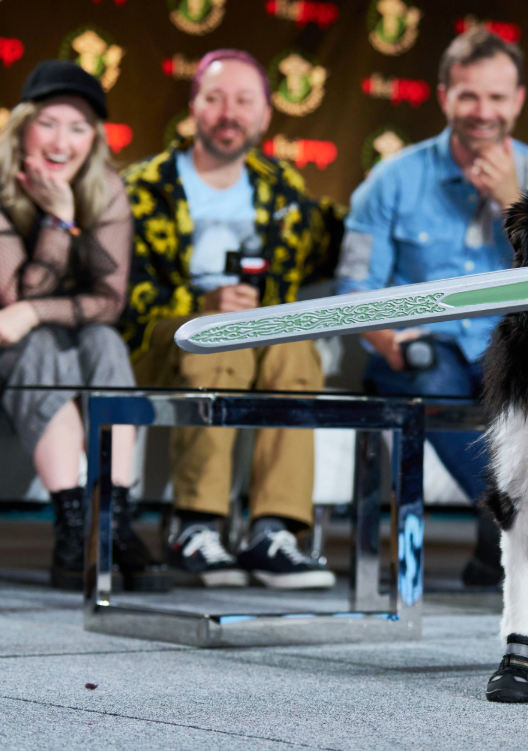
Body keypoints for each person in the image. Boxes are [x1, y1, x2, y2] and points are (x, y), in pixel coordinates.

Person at [338, 30, 528, 587]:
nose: (482, 111)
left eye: (496, 97)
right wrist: (390, 340)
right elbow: (352, 286)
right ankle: (516, 528)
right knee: (431, 364)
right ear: (444, 97)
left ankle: (507, 544)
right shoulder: (392, 179)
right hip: (420, 352)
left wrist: (517, 206)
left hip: (513, 351)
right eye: (468, 96)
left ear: (518, 100)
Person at [121, 49, 344, 589]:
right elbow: (124, 294)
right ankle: (195, 528)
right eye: (215, 98)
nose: (229, 112)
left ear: (266, 115)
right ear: (193, 106)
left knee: (295, 349)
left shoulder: (282, 187)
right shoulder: (144, 185)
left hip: (257, 333)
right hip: (161, 337)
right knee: (222, 340)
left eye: (244, 100)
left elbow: (338, 247)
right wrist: (199, 311)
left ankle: (274, 532)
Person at [0, 61, 167, 591]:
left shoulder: (108, 190)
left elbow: (108, 302)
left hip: (71, 335)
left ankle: (112, 521)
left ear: (93, 138)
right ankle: (73, 527)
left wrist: (33, 310)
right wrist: (57, 219)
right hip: (12, 347)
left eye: (78, 128)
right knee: (41, 344)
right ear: (22, 126)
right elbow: (16, 300)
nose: (61, 141)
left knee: (104, 341)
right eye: (48, 123)